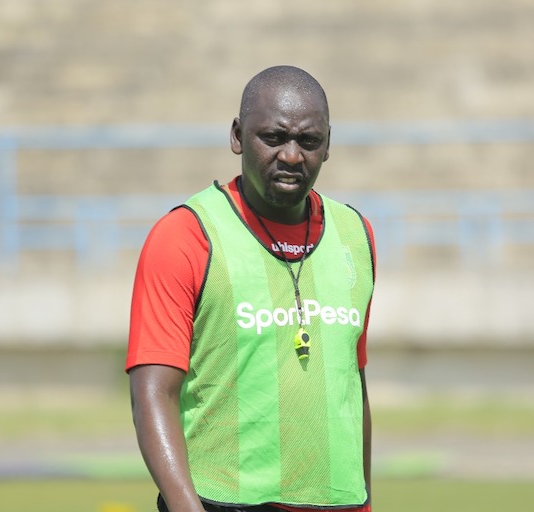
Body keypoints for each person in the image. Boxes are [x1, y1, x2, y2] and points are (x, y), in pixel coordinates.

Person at [127, 65, 376, 512]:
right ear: (238, 136)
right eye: (274, 138)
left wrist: (365, 501)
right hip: (220, 503)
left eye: (309, 141)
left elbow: (351, 384)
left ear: (328, 145)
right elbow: (153, 393)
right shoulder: (185, 236)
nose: (293, 155)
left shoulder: (356, 234)